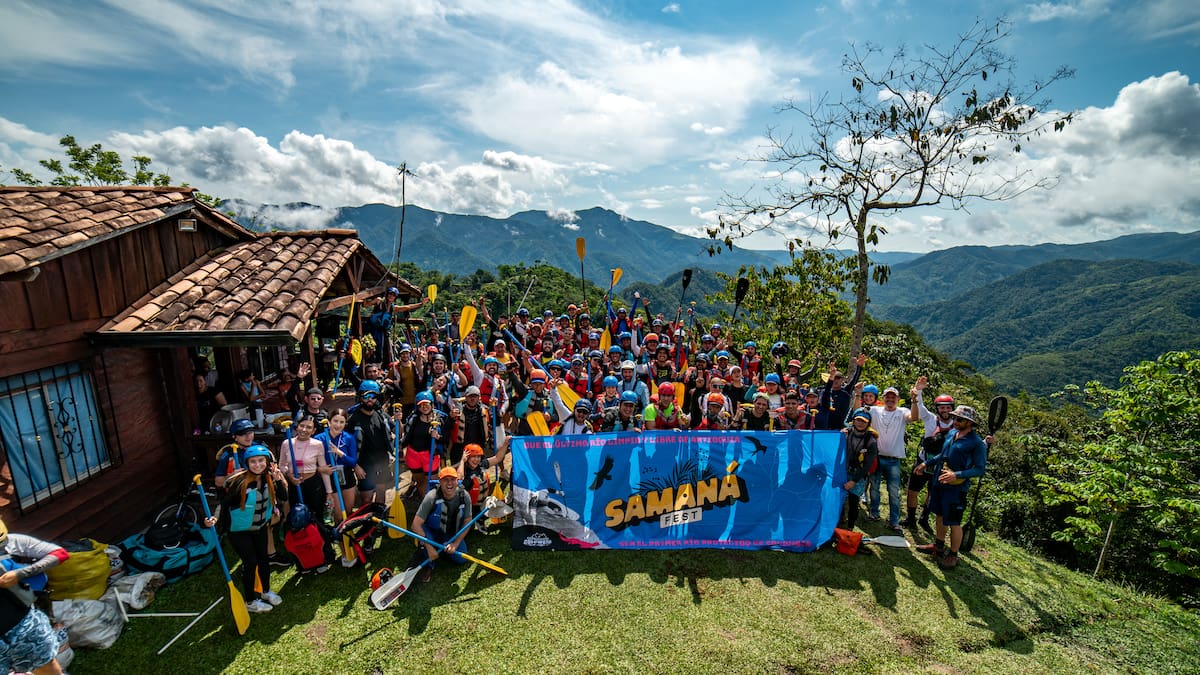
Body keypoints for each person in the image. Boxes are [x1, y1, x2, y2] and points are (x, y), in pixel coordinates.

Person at [205, 445, 285, 613]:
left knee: (263, 559)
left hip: (260, 527)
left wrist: (278, 480)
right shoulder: (240, 482)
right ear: (247, 463)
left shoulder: (270, 478)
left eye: (261, 461)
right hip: (239, 531)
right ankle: (250, 601)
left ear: (267, 462)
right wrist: (215, 518)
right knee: (250, 563)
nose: (257, 465)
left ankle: (265, 591)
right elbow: (224, 504)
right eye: (253, 462)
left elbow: (283, 497)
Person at [915, 405, 989, 570]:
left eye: (959, 419)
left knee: (954, 522)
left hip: (956, 488)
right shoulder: (952, 434)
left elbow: (979, 468)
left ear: (969, 423)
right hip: (940, 482)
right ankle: (938, 545)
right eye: (955, 417)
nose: (955, 421)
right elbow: (943, 455)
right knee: (940, 515)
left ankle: (953, 555)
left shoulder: (976, 444)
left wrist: (957, 475)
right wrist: (926, 463)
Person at [0, 518, 69, 675]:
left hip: (23, 622)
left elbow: (61, 554)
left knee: (47, 666)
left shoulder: (14, 542)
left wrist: (20, 574)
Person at [906, 377, 957, 532]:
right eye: (942, 408)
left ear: (952, 408)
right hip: (923, 459)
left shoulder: (957, 425)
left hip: (942, 465)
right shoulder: (930, 419)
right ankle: (910, 518)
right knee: (912, 490)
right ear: (937, 409)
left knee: (932, 493)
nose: (945, 411)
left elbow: (968, 439)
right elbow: (919, 407)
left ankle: (924, 518)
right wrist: (918, 389)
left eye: (948, 408)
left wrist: (986, 442)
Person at [859, 385, 912, 534]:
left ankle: (894, 521)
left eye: (893, 397)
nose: (890, 399)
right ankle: (874, 513)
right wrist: (857, 394)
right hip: (876, 456)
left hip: (894, 459)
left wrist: (916, 398)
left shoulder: (903, 412)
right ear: (882, 399)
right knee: (874, 488)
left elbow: (913, 417)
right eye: (887, 397)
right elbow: (857, 412)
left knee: (893, 491)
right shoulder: (875, 410)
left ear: (898, 399)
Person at [408, 466, 474, 582]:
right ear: (440, 482)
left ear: (457, 481)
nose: (449, 483)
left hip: (451, 533)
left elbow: (468, 521)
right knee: (428, 552)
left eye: (452, 479)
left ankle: (441, 548)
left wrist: (455, 543)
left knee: (461, 559)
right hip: (430, 532)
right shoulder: (431, 497)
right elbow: (415, 525)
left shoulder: (464, 496)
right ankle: (427, 557)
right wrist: (429, 546)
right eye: (445, 480)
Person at [277, 414, 334, 525]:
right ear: (297, 427)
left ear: (313, 431)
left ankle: (318, 539)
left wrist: (329, 492)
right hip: (295, 484)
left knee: (316, 515)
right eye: (302, 426)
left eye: (309, 427)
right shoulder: (287, 443)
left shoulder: (317, 444)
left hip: (313, 484)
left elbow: (323, 468)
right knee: (297, 514)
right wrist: (289, 475)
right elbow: (282, 465)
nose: (304, 430)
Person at [346, 380, 394, 505]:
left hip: (382, 461)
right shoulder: (353, 419)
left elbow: (397, 431)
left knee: (381, 494)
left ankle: (379, 519)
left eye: (373, 397)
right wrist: (355, 466)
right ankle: (367, 522)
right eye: (366, 396)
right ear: (360, 398)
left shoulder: (381, 415)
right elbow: (347, 445)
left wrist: (398, 422)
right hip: (364, 464)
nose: (369, 400)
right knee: (366, 498)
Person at [316, 409, 359, 542]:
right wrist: (320, 469)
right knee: (338, 512)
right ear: (329, 421)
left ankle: (345, 532)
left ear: (345, 423)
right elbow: (310, 461)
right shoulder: (319, 438)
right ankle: (338, 535)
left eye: (341, 422)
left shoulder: (349, 438)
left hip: (346, 475)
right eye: (335, 421)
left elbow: (352, 462)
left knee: (348, 508)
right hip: (330, 477)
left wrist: (339, 452)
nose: (338, 425)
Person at [841, 410, 879, 531]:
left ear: (868, 423)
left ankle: (850, 527)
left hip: (859, 474)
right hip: (844, 470)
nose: (860, 423)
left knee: (853, 501)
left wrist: (853, 481)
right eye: (858, 420)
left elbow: (867, 465)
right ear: (853, 420)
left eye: (864, 421)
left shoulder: (871, 441)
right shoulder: (846, 433)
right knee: (839, 498)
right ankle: (839, 520)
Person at [215, 418, 256, 490]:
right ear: (234, 437)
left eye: (250, 432)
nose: (248, 436)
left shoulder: (260, 448)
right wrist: (231, 476)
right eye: (242, 434)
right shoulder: (228, 454)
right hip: (239, 491)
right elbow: (218, 482)